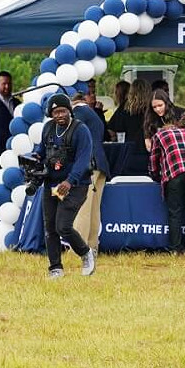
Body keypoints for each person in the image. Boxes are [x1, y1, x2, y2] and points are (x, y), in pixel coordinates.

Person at [30, 93, 94, 279]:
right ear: (50, 114)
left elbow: (84, 160)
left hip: (75, 185)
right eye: (56, 112)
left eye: (63, 111)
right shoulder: (48, 128)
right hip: (52, 183)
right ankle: (55, 268)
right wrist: (34, 157)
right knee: (49, 227)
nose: (60, 115)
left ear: (70, 111)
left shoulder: (80, 130)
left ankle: (85, 253)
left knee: (63, 226)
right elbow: (41, 150)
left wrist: (70, 181)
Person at [152, 110, 185, 254]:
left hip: (174, 174)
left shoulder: (159, 135)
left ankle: (175, 248)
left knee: (175, 212)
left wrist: (155, 175)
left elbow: (154, 159)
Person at [69, 91, 109, 253]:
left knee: (82, 208)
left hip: (88, 166)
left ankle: (78, 248)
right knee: (93, 208)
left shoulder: (78, 113)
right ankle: (92, 246)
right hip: (100, 164)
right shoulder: (92, 114)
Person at [111, 79, 153, 177]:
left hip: (129, 152)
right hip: (150, 153)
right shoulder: (153, 110)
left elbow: (113, 130)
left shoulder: (124, 109)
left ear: (131, 92)